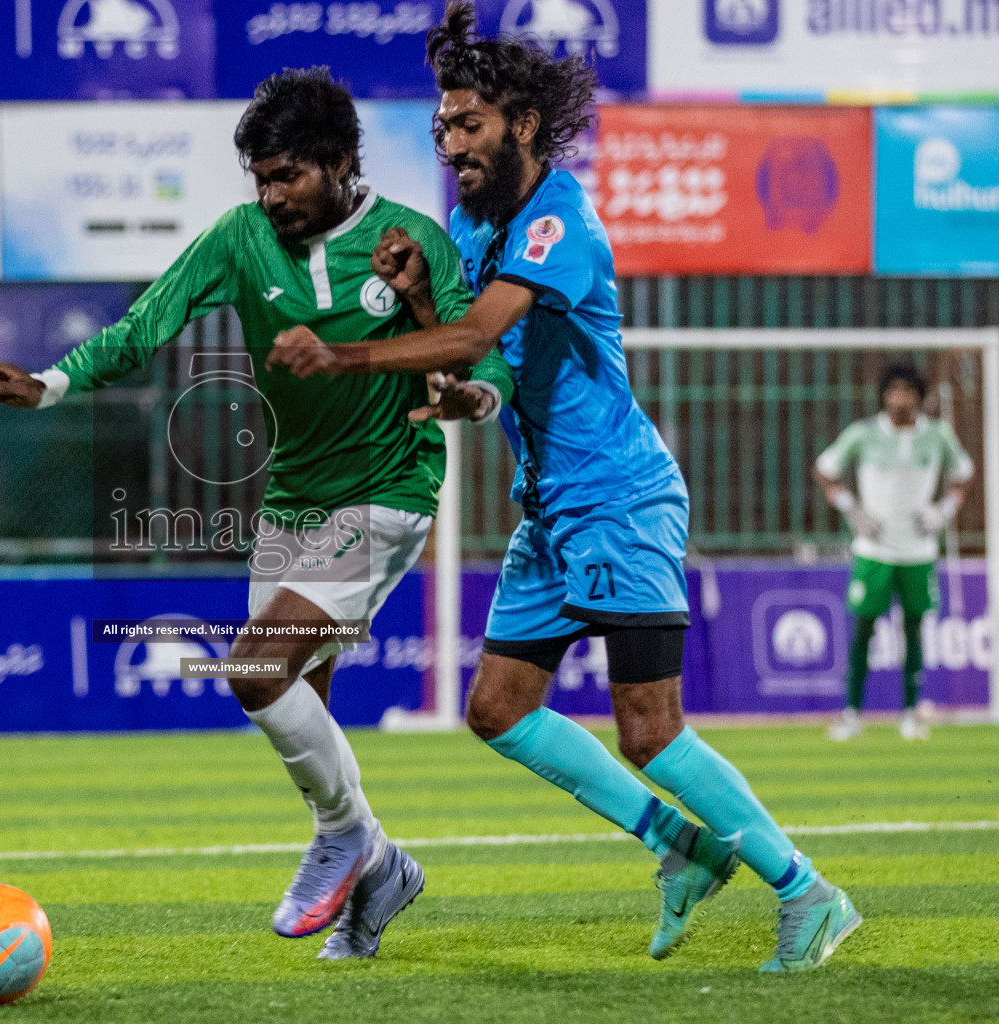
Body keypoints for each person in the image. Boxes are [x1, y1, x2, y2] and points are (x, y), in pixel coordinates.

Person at [264, 2, 861, 973]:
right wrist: (424, 307)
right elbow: (475, 365)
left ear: (524, 127)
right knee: (498, 706)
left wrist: (342, 353)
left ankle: (808, 890)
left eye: (469, 124)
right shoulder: (479, 223)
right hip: (551, 508)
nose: (451, 142)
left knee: (650, 729)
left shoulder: (560, 220)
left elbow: (469, 338)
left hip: (619, 499)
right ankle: (677, 845)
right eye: (442, 125)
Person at [0, 67, 515, 960]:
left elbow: (472, 357)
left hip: (386, 491)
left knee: (255, 671)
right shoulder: (239, 237)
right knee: (304, 700)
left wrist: (465, 397)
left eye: (287, 176)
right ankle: (375, 878)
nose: (269, 196)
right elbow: (146, 325)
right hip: (292, 498)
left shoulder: (411, 238)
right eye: (259, 178)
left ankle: (351, 842)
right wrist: (50, 382)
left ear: (340, 162)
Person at [815, 363, 971, 742]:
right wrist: (851, 507)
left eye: (907, 391)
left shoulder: (937, 435)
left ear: (919, 396)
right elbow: (826, 470)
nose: (899, 398)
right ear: (884, 395)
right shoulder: (863, 435)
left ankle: (911, 714)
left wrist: (944, 511)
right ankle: (851, 714)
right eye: (893, 391)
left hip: (918, 550)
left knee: (915, 632)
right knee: (863, 630)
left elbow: (962, 476)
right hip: (874, 550)